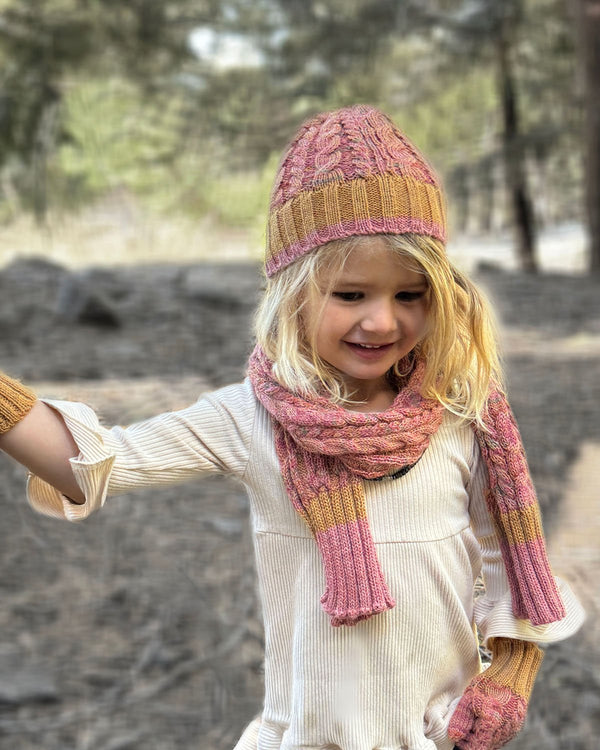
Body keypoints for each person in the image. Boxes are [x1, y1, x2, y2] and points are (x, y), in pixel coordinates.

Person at [0, 105, 584, 750]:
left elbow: (508, 556)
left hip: (435, 735)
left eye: (409, 295)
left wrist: (511, 671)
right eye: (350, 294)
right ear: (294, 293)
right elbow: (93, 459)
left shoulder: (460, 414)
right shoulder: (248, 417)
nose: (382, 322)